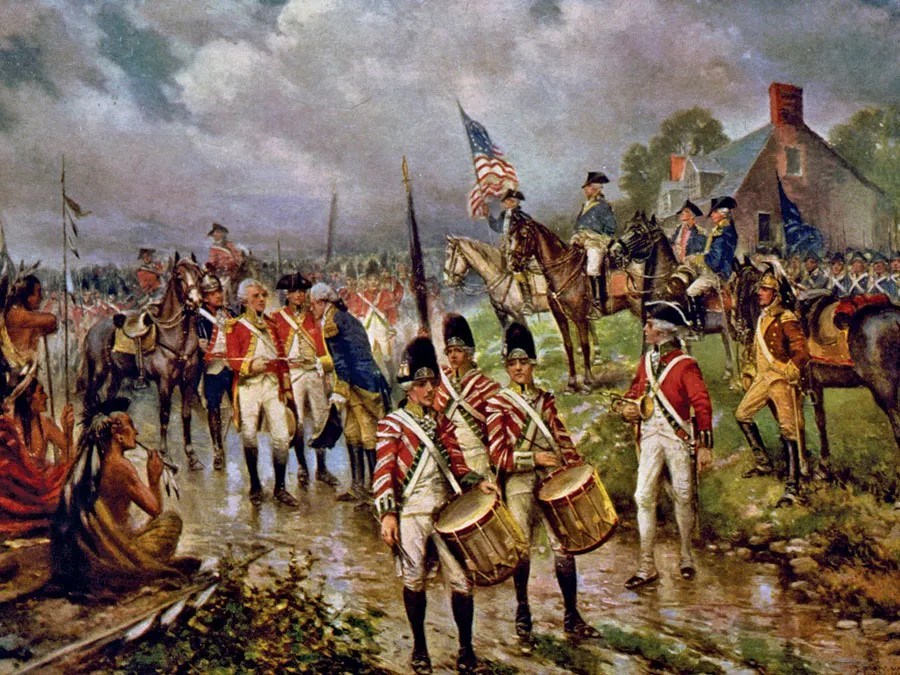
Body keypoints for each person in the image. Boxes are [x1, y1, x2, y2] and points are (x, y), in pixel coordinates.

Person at [374, 336, 498, 674]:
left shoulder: (444, 423)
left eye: (433, 382)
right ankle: (420, 648)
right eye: (422, 383)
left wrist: (476, 481)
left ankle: (466, 649)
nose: (430, 389)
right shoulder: (392, 425)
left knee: (461, 580)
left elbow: (457, 465)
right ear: (409, 387)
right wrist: (388, 514)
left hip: (446, 511)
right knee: (414, 580)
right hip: (412, 512)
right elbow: (384, 474)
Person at [486, 322, 599, 649]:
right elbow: (498, 455)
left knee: (563, 546)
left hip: (550, 481)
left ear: (533, 363)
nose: (519, 368)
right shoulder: (498, 404)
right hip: (520, 482)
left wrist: (575, 462)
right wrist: (534, 459)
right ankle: (522, 608)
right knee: (521, 547)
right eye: (512, 364)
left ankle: (572, 615)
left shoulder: (544, 400)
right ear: (507, 366)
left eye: (524, 362)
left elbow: (560, 437)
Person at [51, 397, 196, 594]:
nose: (136, 432)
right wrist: (154, 479)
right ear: (117, 435)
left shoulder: (99, 461)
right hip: (116, 549)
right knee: (171, 521)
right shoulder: (121, 466)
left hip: (107, 543)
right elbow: (155, 509)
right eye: (131, 425)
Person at [614, 302, 713, 588]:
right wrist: (627, 408)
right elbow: (634, 392)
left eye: (649, 325)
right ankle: (646, 565)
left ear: (663, 331)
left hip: (677, 438)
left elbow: (702, 404)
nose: (645, 329)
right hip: (649, 437)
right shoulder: (646, 361)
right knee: (643, 496)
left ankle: (686, 555)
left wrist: (704, 444)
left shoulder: (686, 365)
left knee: (683, 495)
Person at [309, 283, 390, 502]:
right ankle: (357, 486)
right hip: (358, 380)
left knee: (368, 433)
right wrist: (325, 364)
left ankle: (377, 489)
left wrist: (339, 390)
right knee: (352, 432)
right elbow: (344, 356)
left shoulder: (332, 323)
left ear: (321, 302)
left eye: (313, 305)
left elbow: (344, 361)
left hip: (362, 383)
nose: (312, 310)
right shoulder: (342, 317)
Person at [735, 272, 810, 506]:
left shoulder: (785, 318)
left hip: (780, 379)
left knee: (790, 428)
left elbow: (802, 350)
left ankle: (792, 486)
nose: (759, 293)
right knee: (742, 415)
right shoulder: (762, 317)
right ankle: (763, 462)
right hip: (763, 378)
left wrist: (791, 368)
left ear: (775, 295)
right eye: (760, 290)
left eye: (765, 290)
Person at [226, 278, 298, 507]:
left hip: (272, 385)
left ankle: (280, 488)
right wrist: (250, 366)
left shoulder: (272, 324)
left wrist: (287, 388)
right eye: (255, 296)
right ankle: (256, 485)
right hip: (249, 386)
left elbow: (282, 358)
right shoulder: (234, 326)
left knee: (281, 437)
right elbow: (232, 359)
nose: (261, 299)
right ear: (244, 301)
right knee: (248, 435)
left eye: (263, 296)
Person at [271, 273, 340, 489]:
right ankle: (302, 465)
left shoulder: (313, 315)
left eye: (302, 291)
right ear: (287, 295)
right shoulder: (277, 317)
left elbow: (321, 343)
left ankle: (322, 467)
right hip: (293, 373)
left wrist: (327, 371)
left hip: (313, 370)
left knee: (321, 418)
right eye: (295, 292)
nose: (299, 296)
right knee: (297, 421)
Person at [0, 370, 74, 538]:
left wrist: (68, 431)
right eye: (41, 392)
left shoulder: (46, 424)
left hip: (43, 489)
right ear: (28, 398)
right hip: (17, 494)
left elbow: (70, 456)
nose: (46, 397)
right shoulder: (7, 428)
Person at [432, 314, 500, 476]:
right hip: (455, 458)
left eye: (458, 351)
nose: (453, 356)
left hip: (481, 455)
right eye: (449, 351)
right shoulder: (443, 385)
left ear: (468, 353)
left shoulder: (485, 386)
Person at [196, 273, 235, 470]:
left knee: (239, 404)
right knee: (214, 408)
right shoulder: (199, 318)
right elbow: (201, 345)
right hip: (213, 368)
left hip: (231, 365)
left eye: (219, 291)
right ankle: (217, 448)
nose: (218, 296)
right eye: (213, 293)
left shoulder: (229, 313)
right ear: (205, 297)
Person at [685, 196, 739, 330]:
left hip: (717, 273)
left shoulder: (723, 233)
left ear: (722, 214)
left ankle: (698, 323)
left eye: (714, 213)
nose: (712, 216)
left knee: (690, 291)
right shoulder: (721, 230)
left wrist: (695, 259)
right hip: (714, 269)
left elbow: (714, 260)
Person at [569, 172, 618, 306]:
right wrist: (577, 236)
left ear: (595, 189)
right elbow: (578, 225)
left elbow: (611, 227)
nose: (585, 190)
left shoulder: (603, 206)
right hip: (581, 240)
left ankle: (598, 299)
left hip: (596, 242)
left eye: (588, 187)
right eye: (586, 188)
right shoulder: (585, 205)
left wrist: (602, 241)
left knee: (593, 266)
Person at [487, 189, 534, 313]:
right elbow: (498, 228)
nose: (505, 203)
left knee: (517, 270)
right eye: (505, 201)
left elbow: (528, 233)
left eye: (508, 201)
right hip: (506, 247)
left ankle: (527, 301)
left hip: (520, 249)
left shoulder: (522, 216)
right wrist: (489, 216)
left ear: (515, 203)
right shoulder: (504, 215)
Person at [1, 275, 58, 372]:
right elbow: (52, 320)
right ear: (28, 296)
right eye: (38, 292)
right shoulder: (17, 315)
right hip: (16, 374)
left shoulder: (22, 314)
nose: (41, 297)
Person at [206, 223, 245, 290]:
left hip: (237, 273)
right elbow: (212, 263)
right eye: (214, 233)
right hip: (223, 276)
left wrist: (240, 256)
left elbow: (236, 254)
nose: (215, 234)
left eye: (218, 232)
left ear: (222, 234)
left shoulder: (229, 244)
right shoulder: (213, 249)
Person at [670, 200, 707, 264]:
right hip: (675, 263)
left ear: (692, 216)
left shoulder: (700, 232)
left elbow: (698, 252)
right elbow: (672, 243)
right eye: (682, 211)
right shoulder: (678, 229)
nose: (682, 213)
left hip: (690, 265)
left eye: (686, 211)